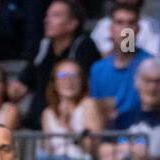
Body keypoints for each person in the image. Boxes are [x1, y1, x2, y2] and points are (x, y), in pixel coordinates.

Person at [8, 0, 99, 130]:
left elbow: (85, 88)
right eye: (47, 15)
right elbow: (25, 81)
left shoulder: (84, 46)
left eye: (55, 16)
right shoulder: (44, 46)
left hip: (71, 122)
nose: (47, 20)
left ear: (72, 24)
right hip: (39, 120)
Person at [89, 1, 152, 123]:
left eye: (131, 23)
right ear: (111, 29)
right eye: (119, 22)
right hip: (108, 134)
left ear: (138, 29)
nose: (126, 29)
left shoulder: (150, 65)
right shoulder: (97, 69)